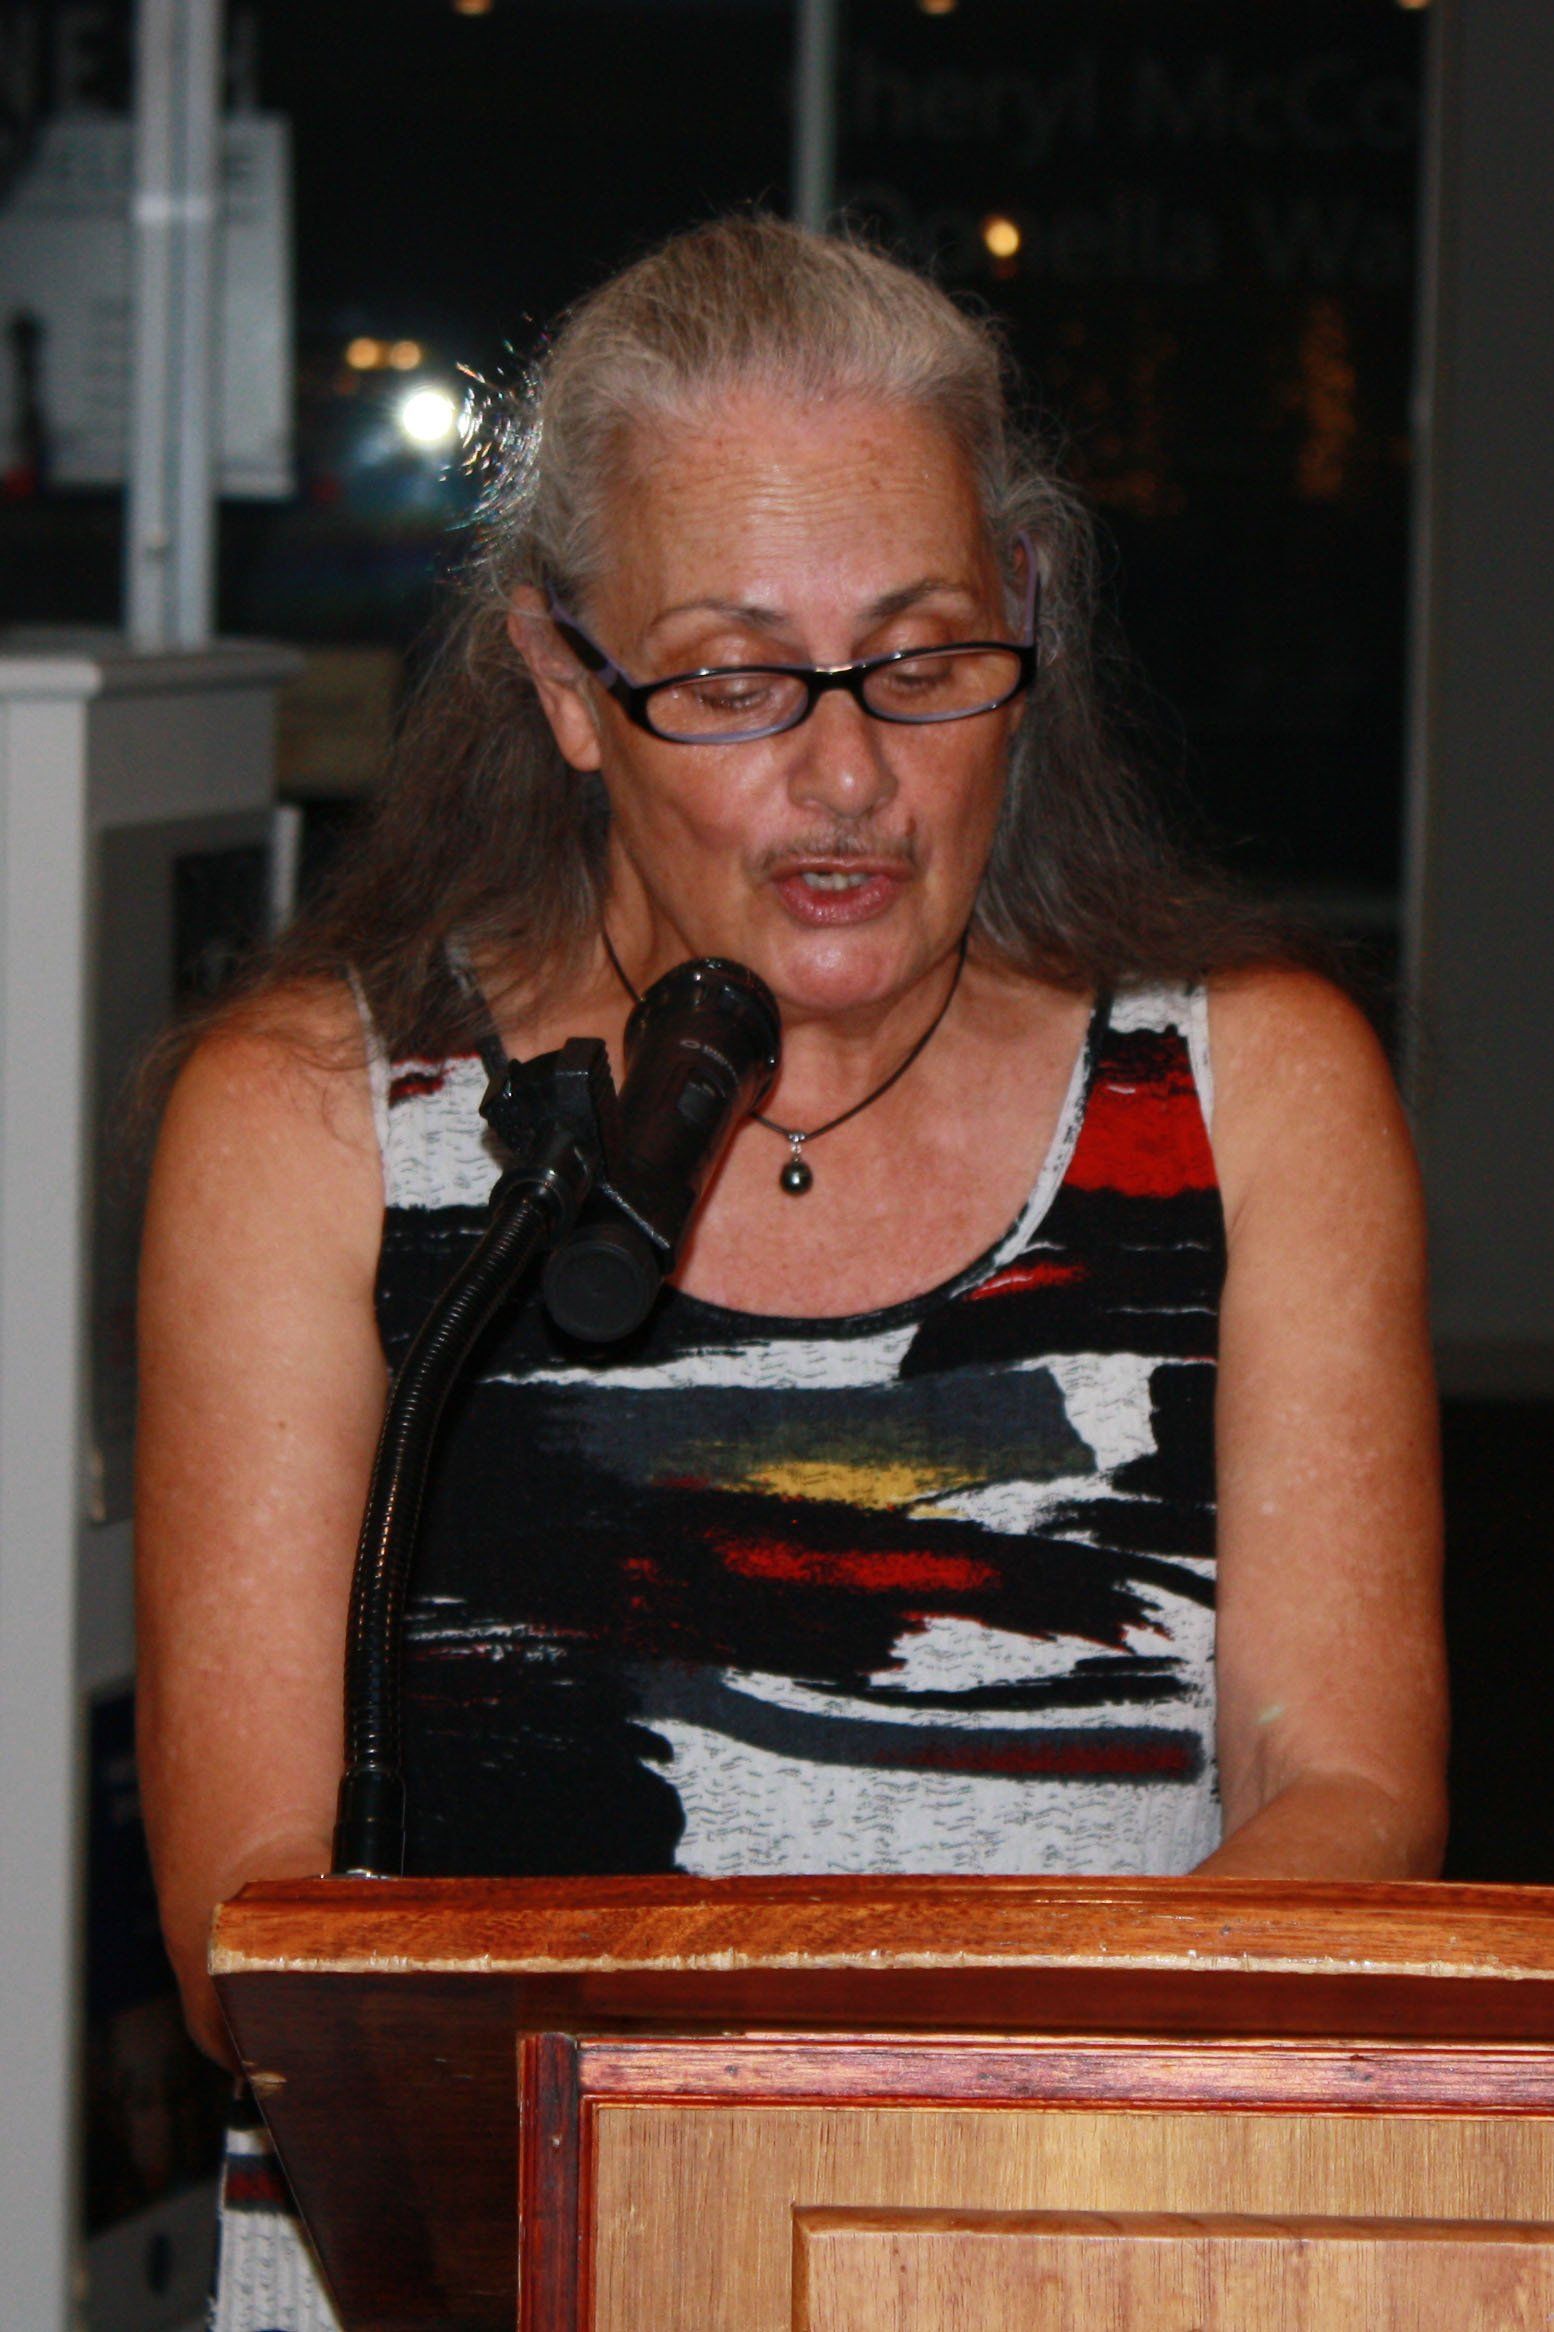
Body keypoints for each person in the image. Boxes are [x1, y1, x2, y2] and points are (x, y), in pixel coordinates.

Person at [134, 218, 1447, 2330]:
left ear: (1026, 617)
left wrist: (937, 2188)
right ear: (565, 688)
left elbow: (1350, 1792)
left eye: (918, 662)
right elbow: (249, 1923)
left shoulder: (1252, 1095)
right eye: (734, 681)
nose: (846, 775)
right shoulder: (315, 1123)